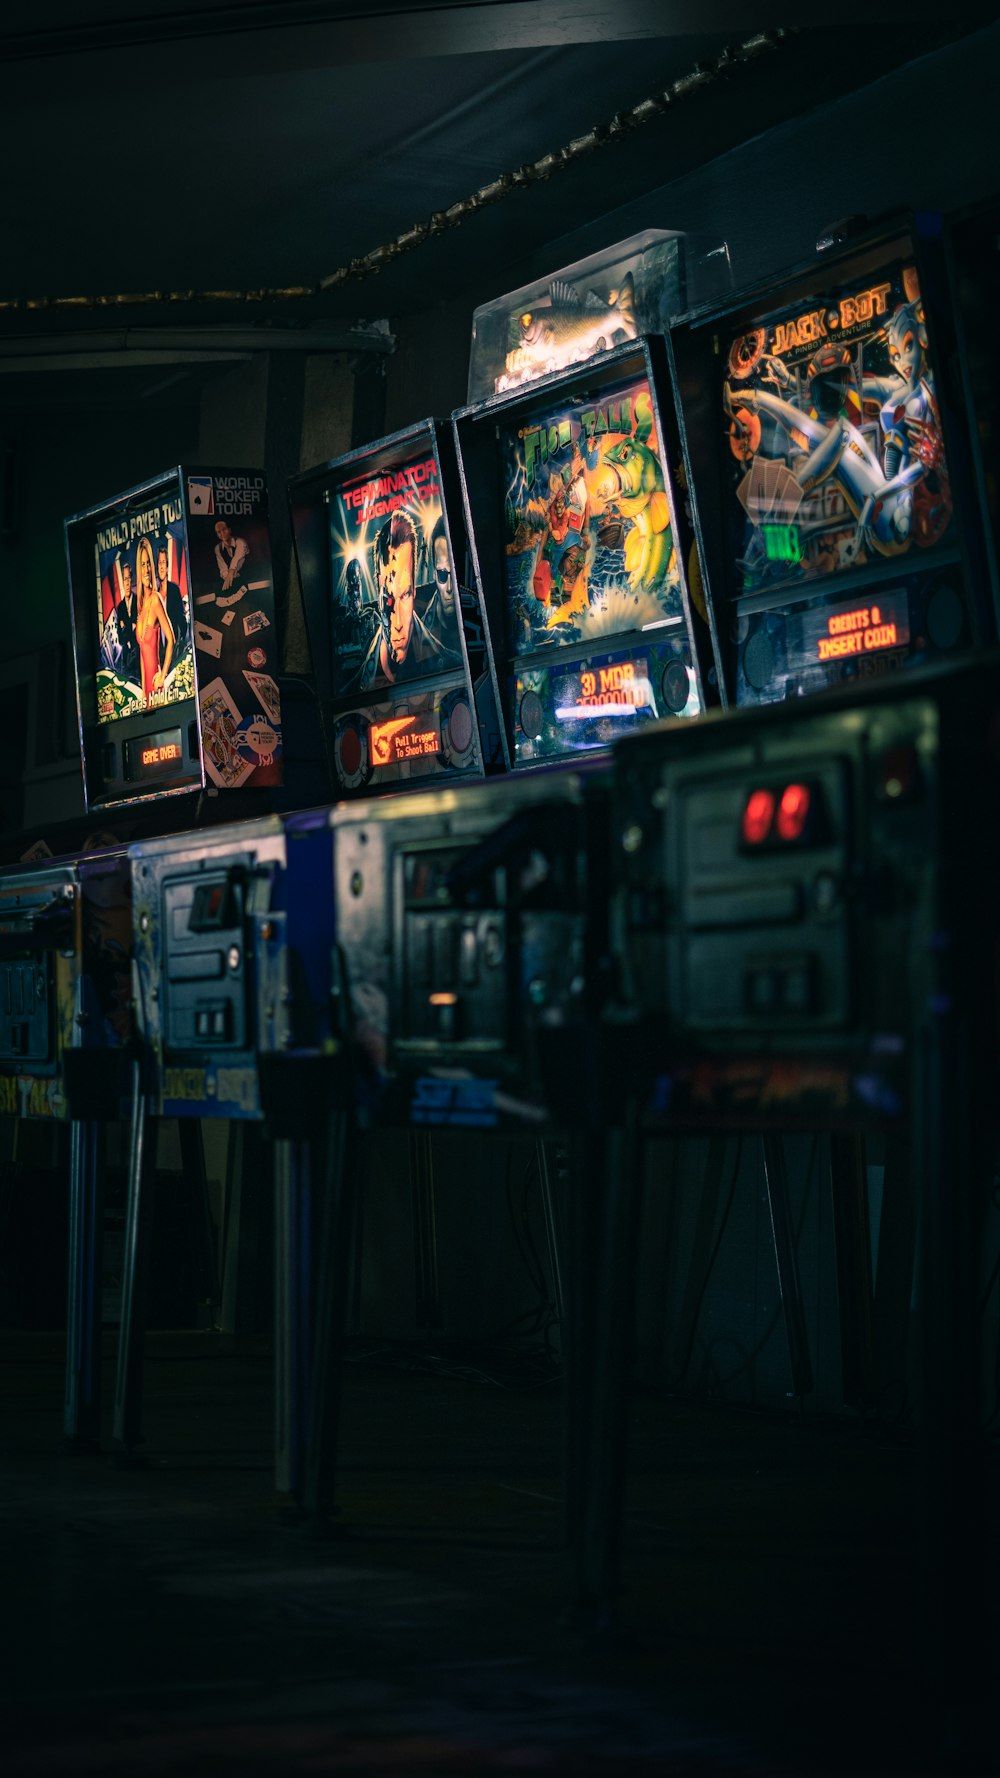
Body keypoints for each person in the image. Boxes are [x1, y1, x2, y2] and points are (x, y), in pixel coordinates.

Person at [348, 509, 458, 692]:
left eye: (405, 594)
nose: (397, 622)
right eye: (389, 598)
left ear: (414, 590)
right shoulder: (354, 688)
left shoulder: (450, 663)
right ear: (378, 594)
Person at [134, 535, 174, 702]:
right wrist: (144, 690)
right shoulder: (141, 606)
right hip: (147, 693)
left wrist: (162, 675)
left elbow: (171, 639)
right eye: (143, 565)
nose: (147, 569)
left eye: (149, 563)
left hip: (157, 687)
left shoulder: (156, 600)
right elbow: (143, 655)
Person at [157, 541, 188, 667]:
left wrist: (181, 643)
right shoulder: (154, 594)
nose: (161, 566)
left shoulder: (174, 590)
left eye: (164, 562)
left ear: (168, 566)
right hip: (159, 653)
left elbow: (182, 620)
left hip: (174, 650)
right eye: (159, 563)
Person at [112, 557, 141, 686]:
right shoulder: (120, 607)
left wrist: (127, 627)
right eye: (125, 579)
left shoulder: (139, 601)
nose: (128, 583)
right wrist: (131, 626)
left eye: (129, 579)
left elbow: (138, 629)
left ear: (132, 580)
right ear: (122, 583)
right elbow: (120, 635)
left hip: (138, 652)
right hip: (126, 655)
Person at [214, 520, 249, 599]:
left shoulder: (240, 542)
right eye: (219, 532)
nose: (222, 533)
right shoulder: (217, 548)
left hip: (249, 576)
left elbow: (237, 558)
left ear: (229, 530)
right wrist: (227, 577)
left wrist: (231, 572)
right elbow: (222, 567)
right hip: (235, 580)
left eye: (224, 529)